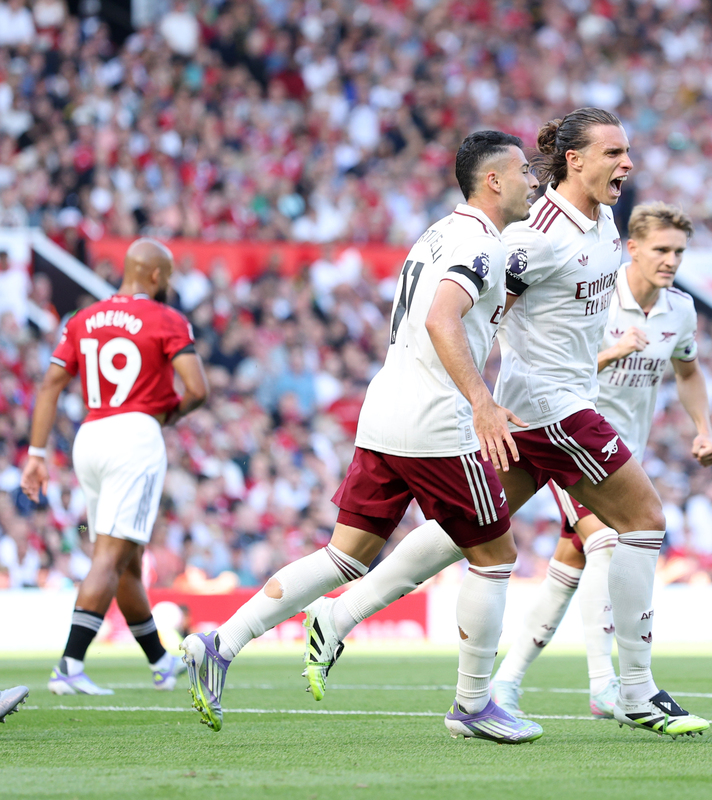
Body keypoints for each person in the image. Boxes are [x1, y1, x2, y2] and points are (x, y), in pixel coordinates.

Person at [307, 108, 710, 738]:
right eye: (612, 153)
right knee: (643, 520)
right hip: (552, 408)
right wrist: (476, 397)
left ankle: (339, 616)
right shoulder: (536, 236)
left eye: (627, 152)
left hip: (542, 406)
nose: (626, 163)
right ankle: (634, 690)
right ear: (574, 160)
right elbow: (481, 311)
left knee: (464, 531)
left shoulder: (602, 220)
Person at [180, 131, 544, 743]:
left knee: (345, 555)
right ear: (494, 182)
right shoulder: (479, 244)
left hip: (385, 411)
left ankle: (220, 644)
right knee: (495, 555)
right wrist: (482, 401)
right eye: (525, 173)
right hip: (436, 422)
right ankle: (474, 705)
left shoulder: (436, 232)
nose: (534, 181)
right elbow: (439, 316)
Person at [490, 202, 712, 719]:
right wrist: (610, 353)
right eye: (661, 249)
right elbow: (549, 361)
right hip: (562, 439)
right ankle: (606, 685)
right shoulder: (591, 292)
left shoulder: (679, 309)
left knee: (569, 567)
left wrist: (703, 429)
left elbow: (688, 372)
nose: (671, 260)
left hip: (620, 456)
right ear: (632, 247)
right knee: (609, 540)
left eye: (679, 251)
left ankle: (506, 681)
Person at [20, 239, 209, 695]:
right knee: (109, 556)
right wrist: (167, 415)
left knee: (126, 559)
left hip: (91, 434)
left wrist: (37, 454)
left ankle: (160, 662)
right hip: (134, 438)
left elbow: (50, 385)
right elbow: (197, 389)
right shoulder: (166, 318)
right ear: (158, 276)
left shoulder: (82, 318)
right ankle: (68, 666)